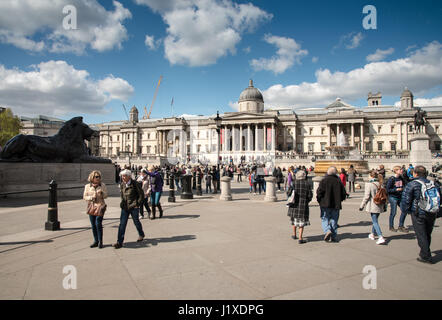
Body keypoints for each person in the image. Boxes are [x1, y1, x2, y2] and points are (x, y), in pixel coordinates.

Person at [400, 165, 440, 264]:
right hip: (432, 211)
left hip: (418, 212)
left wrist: (406, 211)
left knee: (421, 234)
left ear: (416, 173)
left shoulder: (412, 184)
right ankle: (425, 251)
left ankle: (425, 256)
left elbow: (406, 200)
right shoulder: (433, 183)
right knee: (427, 233)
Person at [114, 169, 145, 249]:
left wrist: (137, 204)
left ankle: (141, 234)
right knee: (122, 224)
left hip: (134, 206)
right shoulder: (122, 184)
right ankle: (119, 242)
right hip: (125, 207)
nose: (123, 178)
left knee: (136, 222)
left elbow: (141, 195)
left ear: (129, 176)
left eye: (124, 176)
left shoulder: (135, 184)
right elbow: (122, 195)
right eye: (122, 176)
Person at [316, 166, 347, 242]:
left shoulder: (324, 180)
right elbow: (343, 193)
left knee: (325, 218)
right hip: (336, 204)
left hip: (325, 203)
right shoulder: (338, 181)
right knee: (334, 220)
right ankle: (333, 236)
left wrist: (319, 200)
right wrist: (340, 200)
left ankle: (327, 231)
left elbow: (319, 192)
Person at [359, 170, 387, 245]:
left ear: (371, 176)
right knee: (375, 220)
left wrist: (362, 205)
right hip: (380, 205)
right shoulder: (380, 184)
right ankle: (372, 234)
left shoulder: (369, 184)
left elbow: (366, 196)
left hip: (373, 205)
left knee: (375, 221)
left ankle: (380, 237)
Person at [83, 170, 108, 249]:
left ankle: (100, 241)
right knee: (93, 225)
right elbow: (84, 197)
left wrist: (102, 194)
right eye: (96, 177)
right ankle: (95, 241)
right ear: (92, 177)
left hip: (100, 206)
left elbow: (106, 196)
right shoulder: (87, 186)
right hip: (92, 206)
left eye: (99, 177)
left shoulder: (102, 185)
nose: (98, 178)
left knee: (98, 223)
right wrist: (91, 197)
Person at [287, 170, 313, 244]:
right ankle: (300, 238)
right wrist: (306, 201)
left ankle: (294, 234)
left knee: (294, 220)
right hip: (303, 205)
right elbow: (310, 196)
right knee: (301, 222)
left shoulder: (294, 183)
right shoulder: (307, 184)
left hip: (294, 204)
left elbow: (288, 193)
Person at [386, 166, 407, 232]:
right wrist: (396, 189)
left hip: (400, 196)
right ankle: (391, 226)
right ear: (396, 171)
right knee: (393, 212)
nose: (401, 171)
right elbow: (388, 189)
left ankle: (401, 226)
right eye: (400, 170)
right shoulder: (391, 179)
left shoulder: (401, 178)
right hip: (393, 197)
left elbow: (405, 185)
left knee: (404, 210)